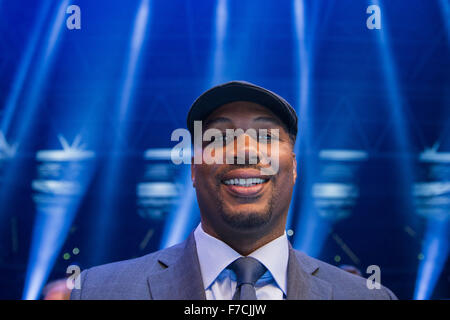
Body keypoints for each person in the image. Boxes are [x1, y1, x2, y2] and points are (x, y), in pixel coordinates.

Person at [70, 81, 397, 300]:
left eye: (266, 136)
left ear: (294, 168)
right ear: (194, 169)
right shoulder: (100, 291)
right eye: (218, 138)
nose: (244, 151)